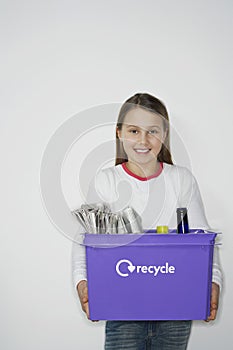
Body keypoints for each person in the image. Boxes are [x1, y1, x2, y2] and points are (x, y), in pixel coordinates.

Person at [72, 93, 222, 350]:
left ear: (164, 135)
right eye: (134, 130)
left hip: (175, 309)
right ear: (119, 133)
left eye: (152, 131)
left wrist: (213, 281)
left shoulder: (181, 180)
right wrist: (82, 281)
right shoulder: (106, 181)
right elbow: (86, 239)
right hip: (123, 309)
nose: (143, 140)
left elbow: (202, 239)